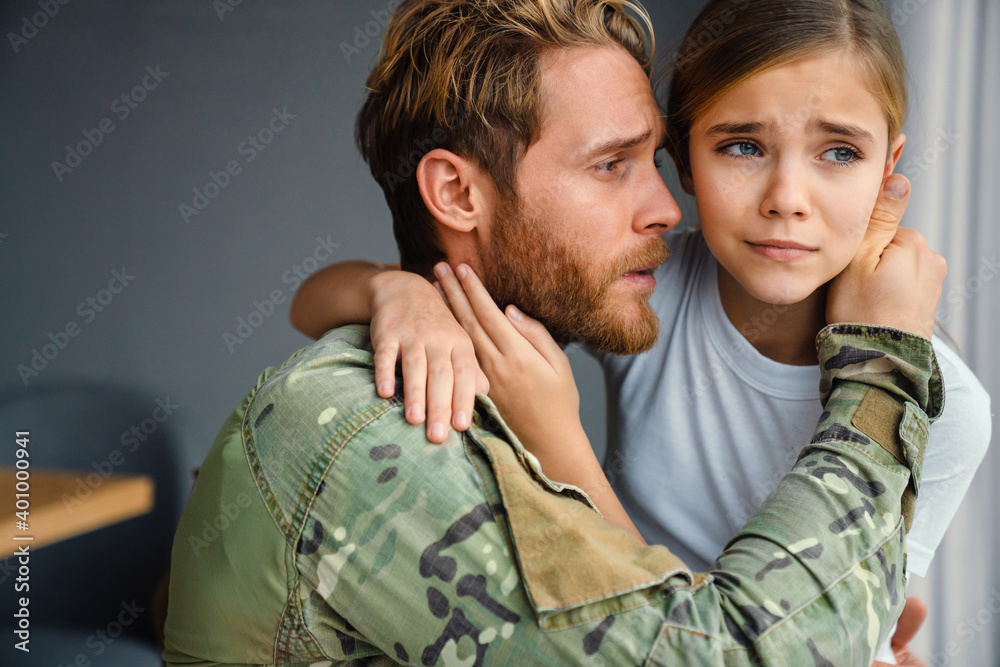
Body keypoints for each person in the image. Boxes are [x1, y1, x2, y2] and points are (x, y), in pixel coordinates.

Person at [163, 0, 947, 665]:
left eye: (653, 161)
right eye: (611, 166)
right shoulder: (399, 430)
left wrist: (390, 285)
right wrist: (881, 367)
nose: (669, 211)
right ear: (457, 194)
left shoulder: (476, 365)